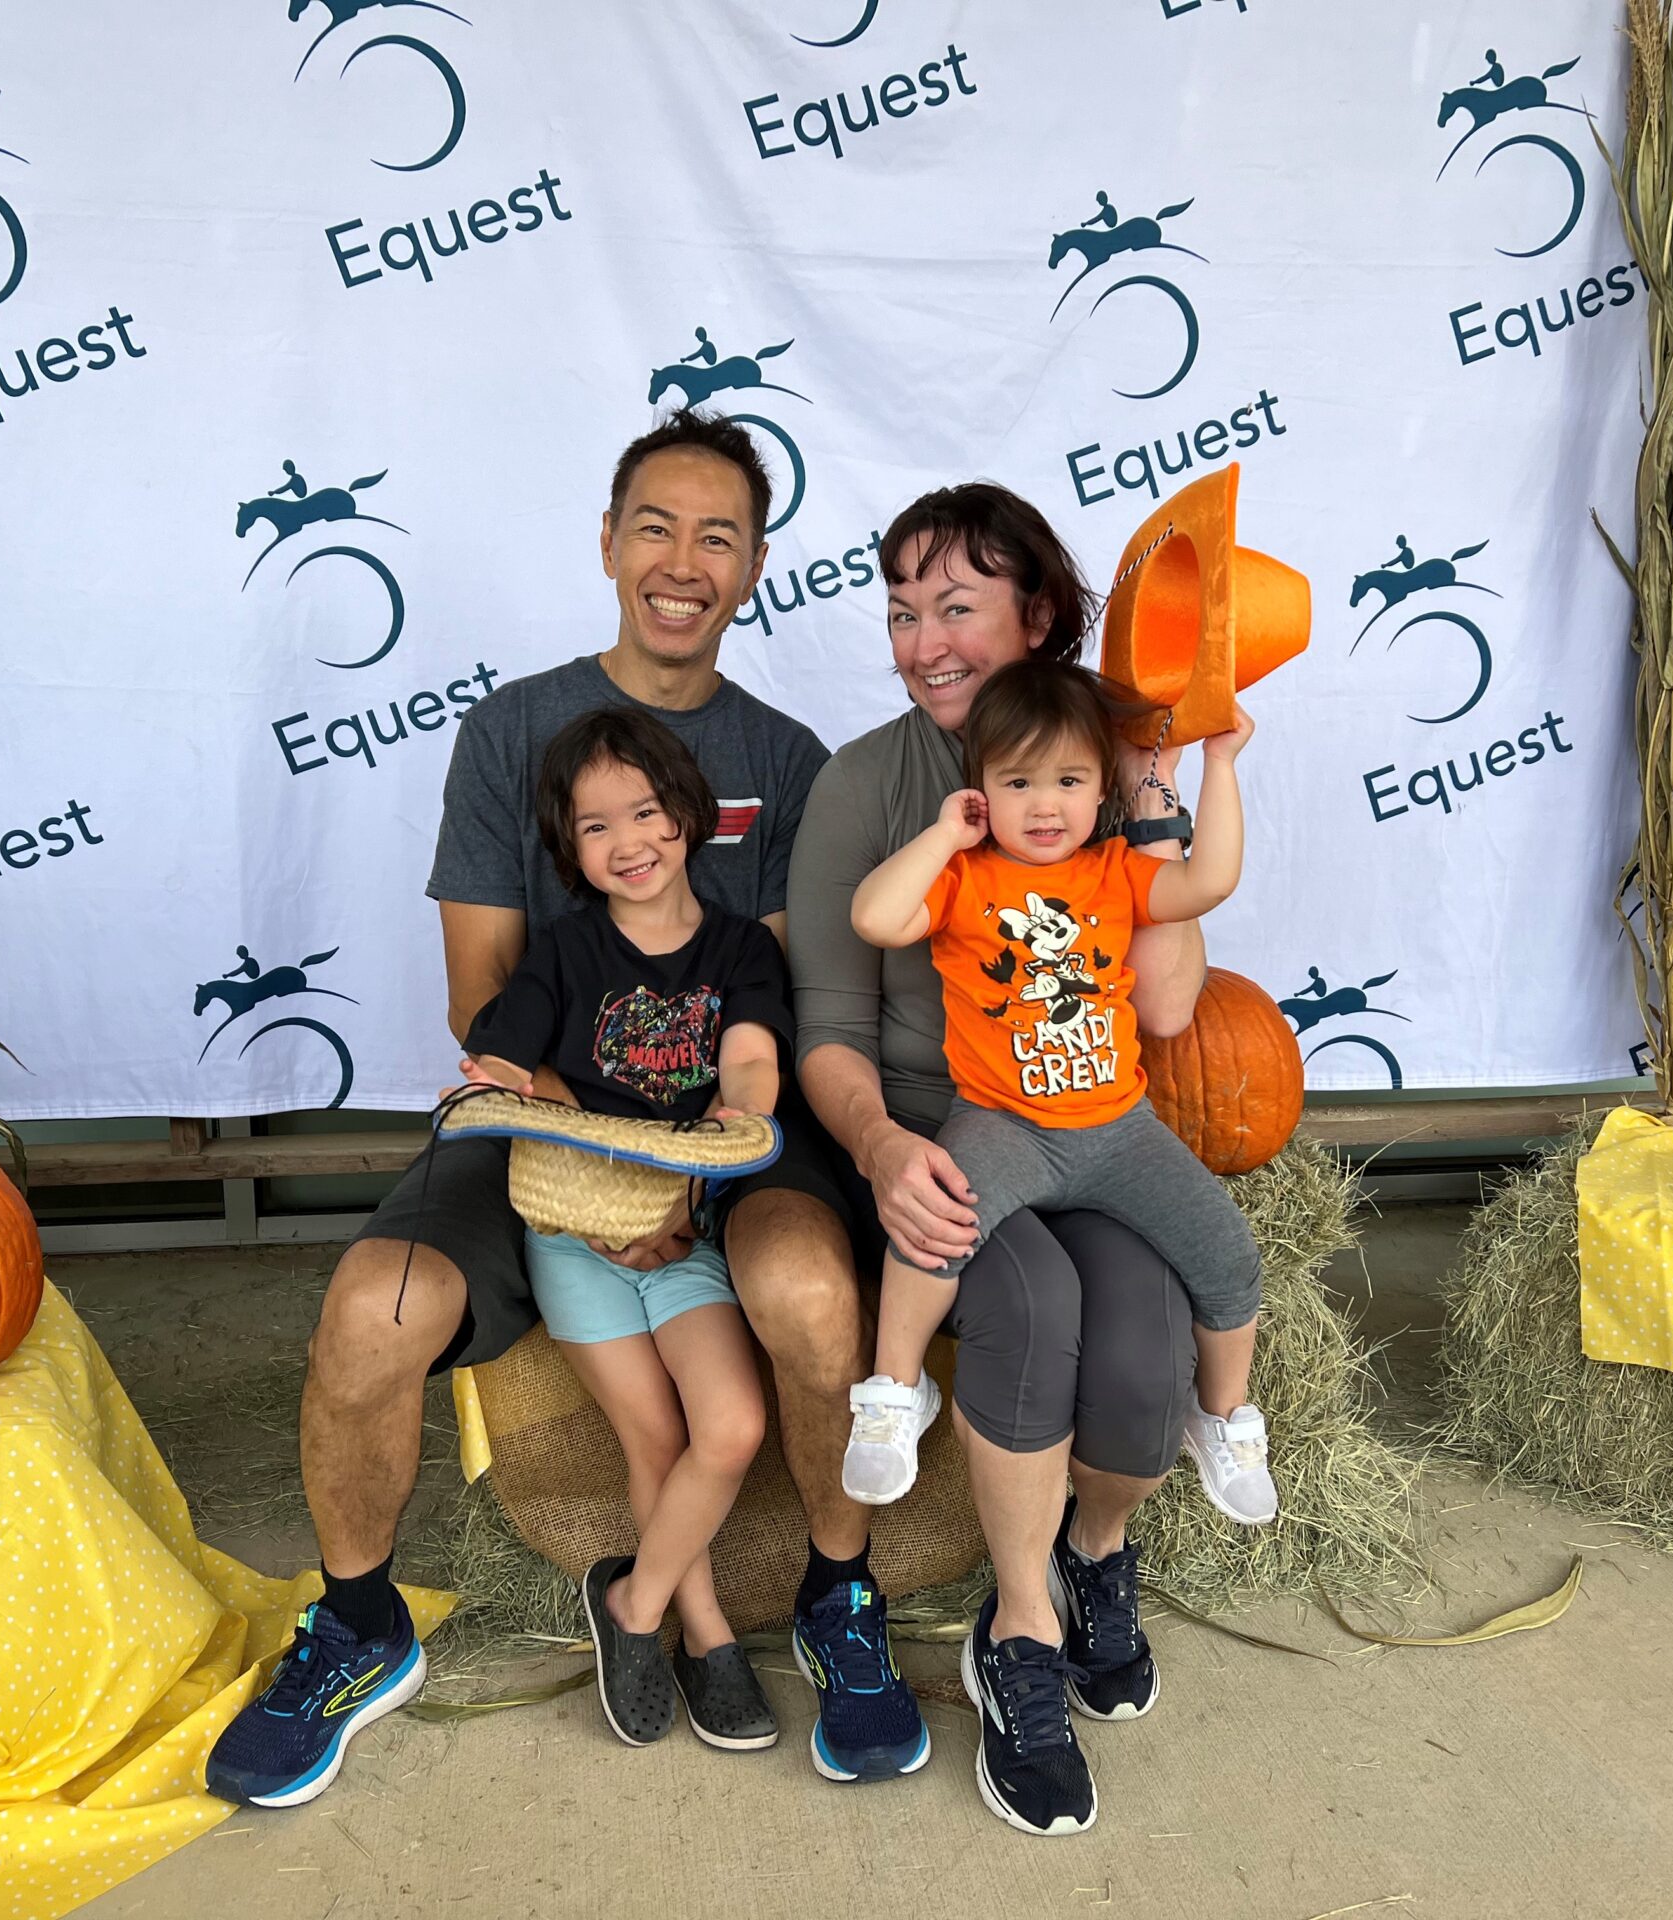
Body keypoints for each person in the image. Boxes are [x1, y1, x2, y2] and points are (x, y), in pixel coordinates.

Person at [208, 410, 916, 1808]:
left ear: (757, 567)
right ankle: (358, 1626)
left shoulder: (786, 758)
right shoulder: (509, 728)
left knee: (814, 1299)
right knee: (368, 1309)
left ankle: (841, 1602)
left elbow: (765, 1005)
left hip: (723, 1148)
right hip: (544, 1143)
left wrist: (694, 1182)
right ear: (608, 543)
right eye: (656, 524)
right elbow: (485, 1007)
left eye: (719, 535)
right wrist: (581, 1167)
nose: (682, 559)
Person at [789, 482, 1238, 1838]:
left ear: (1039, 617)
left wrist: (1158, 796)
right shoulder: (866, 783)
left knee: (1155, 1334)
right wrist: (875, 1146)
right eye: (901, 612)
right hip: (941, 1129)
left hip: (1090, 1121)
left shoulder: (1099, 765)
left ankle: (1098, 1556)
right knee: (1033, 1302)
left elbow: (1164, 1010)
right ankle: (1023, 1639)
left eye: (957, 607)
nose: (923, 640)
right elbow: (825, 1019)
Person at [836, 659, 1273, 1533]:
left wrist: (1221, 765)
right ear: (980, 792)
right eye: (1017, 782)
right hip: (1005, 1125)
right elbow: (876, 920)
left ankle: (1223, 1419)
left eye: (1069, 780)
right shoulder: (965, 879)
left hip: (1119, 1129)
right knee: (937, 1219)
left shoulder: (1116, 870)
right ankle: (892, 1392)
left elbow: (1210, 881)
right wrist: (942, 839)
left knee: (1229, 1256)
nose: (1044, 805)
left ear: (1102, 786)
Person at [457, 707, 785, 1751]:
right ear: (570, 852)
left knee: (726, 1429)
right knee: (654, 1437)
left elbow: (747, 1060)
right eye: (596, 827)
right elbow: (500, 1043)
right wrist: (499, 1078)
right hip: (573, 1240)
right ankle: (707, 1633)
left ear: (688, 817)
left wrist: (739, 1114)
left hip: (683, 1236)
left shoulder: (739, 948)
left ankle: (631, 1606)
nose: (628, 841)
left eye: (645, 811)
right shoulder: (563, 952)